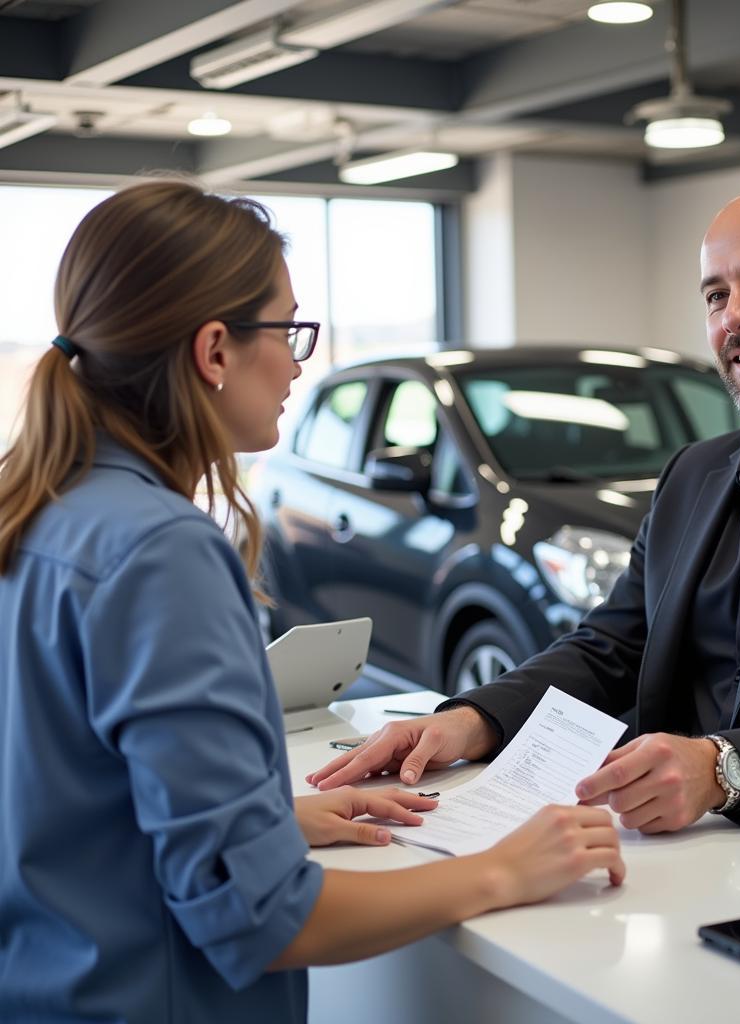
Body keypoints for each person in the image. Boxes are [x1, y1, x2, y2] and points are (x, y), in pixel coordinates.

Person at [0, 179, 624, 1024]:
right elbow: (259, 920)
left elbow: (69, 802)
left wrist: (270, 822)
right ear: (214, 350)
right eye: (288, 329)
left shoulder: (37, 511)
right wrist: (505, 869)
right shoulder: (160, 553)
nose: (298, 361)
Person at [310, 185, 740, 872]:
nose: (735, 316)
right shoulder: (693, 477)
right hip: (692, 869)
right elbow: (611, 646)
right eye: (716, 295)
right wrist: (472, 721)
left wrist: (722, 769)